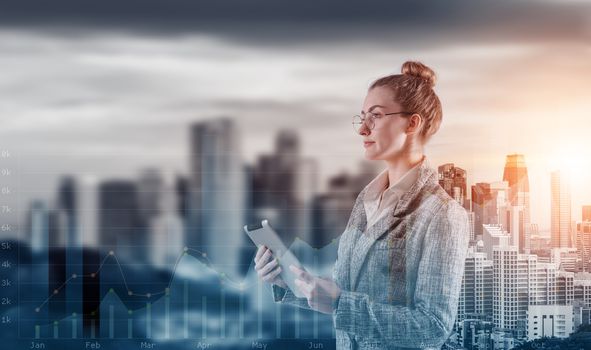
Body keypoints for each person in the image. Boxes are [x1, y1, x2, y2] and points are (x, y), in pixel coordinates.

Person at [254, 61, 470, 349]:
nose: (363, 130)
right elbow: (346, 291)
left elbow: (433, 326)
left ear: (412, 123)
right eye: (362, 117)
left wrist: (341, 305)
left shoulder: (442, 214)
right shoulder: (365, 201)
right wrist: (291, 284)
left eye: (376, 116)